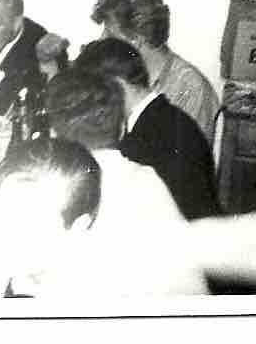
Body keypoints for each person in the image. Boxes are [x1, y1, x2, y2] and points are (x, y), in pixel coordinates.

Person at [0, 136, 207, 299]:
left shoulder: (93, 299)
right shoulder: (23, 266)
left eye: (26, 227)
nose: (4, 236)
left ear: (78, 229)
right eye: (2, 214)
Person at [73, 38, 221, 221]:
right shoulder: (165, 117)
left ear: (117, 85)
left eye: (95, 94)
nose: (94, 105)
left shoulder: (146, 139)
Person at [91, 0, 219, 143]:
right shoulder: (117, 76)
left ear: (136, 40)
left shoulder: (192, 89)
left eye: (109, 34)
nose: (101, 40)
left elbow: (187, 157)